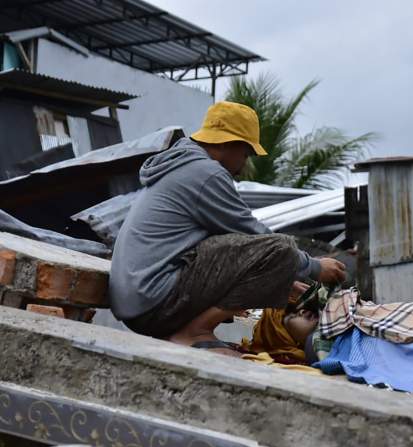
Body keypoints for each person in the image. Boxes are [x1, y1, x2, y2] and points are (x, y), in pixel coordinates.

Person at [109, 101, 346, 350]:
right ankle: (195, 331)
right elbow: (252, 235)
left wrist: (284, 278)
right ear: (224, 143)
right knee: (281, 248)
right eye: (245, 154)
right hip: (154, 303)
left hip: (140, 303)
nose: (244, 166)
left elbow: (226, 249)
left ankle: (194, 329)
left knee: (272, 253)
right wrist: (315, 267)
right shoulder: (205, 173)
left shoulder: (184, 166)